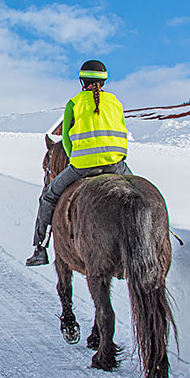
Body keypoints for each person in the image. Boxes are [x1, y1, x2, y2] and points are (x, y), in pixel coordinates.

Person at [25, 59, 132, 266]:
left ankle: (40, 248)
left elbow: (65, 140)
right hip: (116, 165)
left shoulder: (74, 103)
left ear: (82, 81)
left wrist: (77, 157)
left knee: (48, 198)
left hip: (83, 166)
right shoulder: (116, 103)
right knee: (137, 190)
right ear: (105, 81)